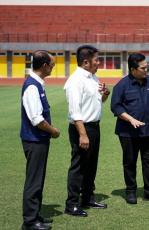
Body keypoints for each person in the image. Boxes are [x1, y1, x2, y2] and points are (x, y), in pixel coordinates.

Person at [110, 53, 149, 205]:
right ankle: (130, 191)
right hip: (127, 132)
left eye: (147, 67)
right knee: (129, 162)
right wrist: (131, 119)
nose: (146, 70)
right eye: (143, 68)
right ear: (133, 69)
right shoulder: (121, 85)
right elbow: (115, 107)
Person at [64, 45, 110, 217]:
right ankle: (72, 204)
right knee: (79, 167)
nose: (99, 63)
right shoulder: (75, 81)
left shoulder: (93, 77)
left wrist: (105, 93)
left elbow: (100, 101)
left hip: (94, 127)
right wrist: (82, 134)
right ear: (85, 62)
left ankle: (88, 198)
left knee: (91, 165)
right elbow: (74, 111)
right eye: (96, 60)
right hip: (81, 128)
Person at [20, 50, 60, 230]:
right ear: (44, 66)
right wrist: (53, 131)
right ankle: (30, 221)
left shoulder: (37, 84)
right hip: (34, 140)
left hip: (38, 140)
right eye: (52, 65)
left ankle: (35, 215)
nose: (53, 68)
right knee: (34, 180)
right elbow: (36, 119)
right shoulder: (32, 86)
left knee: (38, 178)